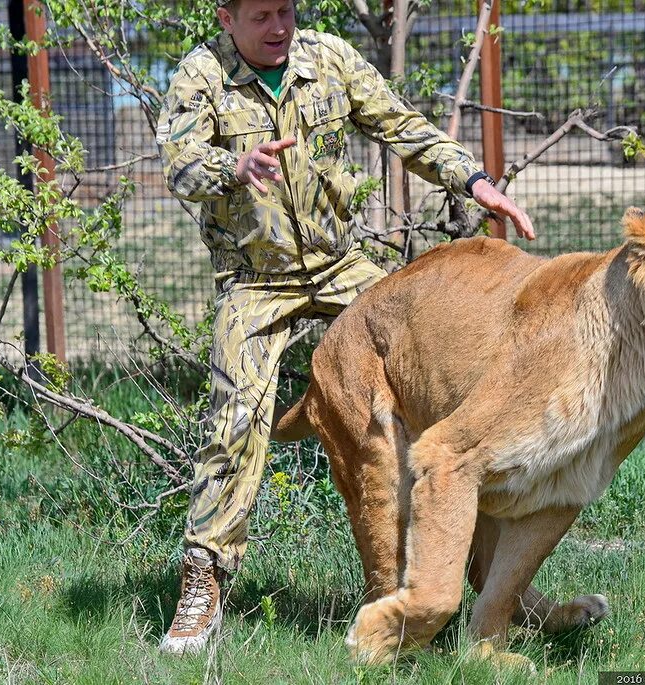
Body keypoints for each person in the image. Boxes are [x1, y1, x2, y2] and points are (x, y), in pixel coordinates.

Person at [154, 0, 536, 655]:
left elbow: (401, 125)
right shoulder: (201, 75)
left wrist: (472, 180)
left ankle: (487, 575)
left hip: (341, 267)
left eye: (286, 11)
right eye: (261, 16)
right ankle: (204, 584)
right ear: (226, 18)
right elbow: (179, 163)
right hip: (257, 278)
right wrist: (233, 167)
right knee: (235, 417)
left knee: (436, 371)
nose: (278, 26)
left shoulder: (325, 58)